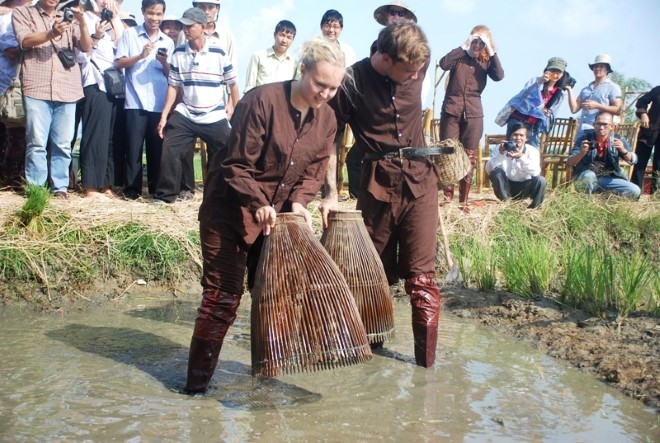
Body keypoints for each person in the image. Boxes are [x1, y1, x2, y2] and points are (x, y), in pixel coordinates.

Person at [184, 38, 346, 394]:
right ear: (302, 71)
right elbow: (236, 164)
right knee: (222, 299)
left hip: (276, 221)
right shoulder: (260, 101)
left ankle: (266, 385)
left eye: (333, 88)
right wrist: (258, 201)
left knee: (274, 296)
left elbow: (315, 169)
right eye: (320, 84)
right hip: (230, 212)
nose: (325, 94)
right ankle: (194, 390)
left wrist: (301, 201)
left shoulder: (329, 118)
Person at [323, 22, 440, 368]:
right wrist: (331, 192)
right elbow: (330, 139)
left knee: (421, 282)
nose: (415, 75)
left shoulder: (418, 60)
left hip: (421, 183)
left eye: (419, 69)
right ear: (386, 59)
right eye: (409, 71)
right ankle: (367, 360)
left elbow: (412, 37)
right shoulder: (351, 81)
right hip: (377, 187)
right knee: (372, 276)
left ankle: (426, 373)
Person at [153, 7, 238, 204]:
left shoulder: (218, 52)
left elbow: (233, 84)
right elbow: (173, 87)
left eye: (190, 26)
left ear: (202, 26)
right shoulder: (178, 53)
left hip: (214, 114)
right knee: (170, 146)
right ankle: (166, 196)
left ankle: (220, 197)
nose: (185, 29)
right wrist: (165, 115)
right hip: (187, 113)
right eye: (184, 26)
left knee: (227, 151)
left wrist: (233, 107)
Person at [12, 0, 93, 199]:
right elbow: (24, 40)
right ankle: (37, 188)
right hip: (36, 86)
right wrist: (52, 33)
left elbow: (86, 47)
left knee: (64, 144)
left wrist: (82, 22)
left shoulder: (69, 15)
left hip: (67, 87)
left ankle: (60, 188)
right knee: (37, 142)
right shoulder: (23, 13)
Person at [342, 0, 417, 199]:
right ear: (386, 16)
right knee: (358, 157)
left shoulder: (417, 51)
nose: (396, 16)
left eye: (401, 13)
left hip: (404, 119)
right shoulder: (377, 47)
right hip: (377, 115)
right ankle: (358, 196)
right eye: (393, 12)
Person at [114, 0, 174, 200]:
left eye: (158, 14)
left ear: (163, 15)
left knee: (156, 148)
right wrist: (140, 55)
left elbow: (171, 75)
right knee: (133, 148)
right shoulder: (130, 35)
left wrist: (164, 63)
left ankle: (156, 190)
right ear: (142, 12)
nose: (154, 18)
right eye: (150, 13)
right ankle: (132, 190)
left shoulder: (168, 41)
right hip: (135, 101)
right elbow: (119, 62)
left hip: (158, 103)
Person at [439, 25, 504, 207]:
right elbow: (443, 64)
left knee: (469, 156)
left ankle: (464, 201)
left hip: (474, 112)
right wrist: (465, 45)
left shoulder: (486, 61)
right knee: (448, 152)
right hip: (452, 109)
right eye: (475, 40)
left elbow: (499, 76)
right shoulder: (459, 57)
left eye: (481, 42)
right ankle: (447, 199)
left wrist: (490, 50)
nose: (477, 45)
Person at [77, 0, 123, 199]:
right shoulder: (84, 19)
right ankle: (91, 186)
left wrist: (115, 18)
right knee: (95, 135)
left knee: (112, 138)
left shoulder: (116, 20)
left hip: (116, 85)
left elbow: (123, 46)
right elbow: (81, 52)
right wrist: (97, 34)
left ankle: (106, 184)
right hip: (94, 82)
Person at [501, 57, 573, 148]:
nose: (555, 74)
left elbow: (552, 113)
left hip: (533, 125)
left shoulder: (559, 94)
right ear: (546, 70)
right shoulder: (535, 80)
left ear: (562, 74)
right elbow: (524, 95)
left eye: (558, 71)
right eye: (552, 70)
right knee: (512, 149)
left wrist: (547, 112)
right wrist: (539, 82)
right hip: (517, 120)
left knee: (532, 152)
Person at [567, 111, 640, 199]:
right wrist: (582, 153)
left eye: (605, 124)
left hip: (608, 179)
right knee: (589, 176)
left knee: (635, 190)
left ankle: (606, 199)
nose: (601, 127)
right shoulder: (585, 139)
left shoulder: (618, 140)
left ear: (612, 126)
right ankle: (586, 201)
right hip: (586, 177)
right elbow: (570, 162)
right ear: (594, 125)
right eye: (598, 124)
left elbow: (633, 160)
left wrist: (623, 150)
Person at [0, 0, 28, 190]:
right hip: (7, 84)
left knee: (20, 136)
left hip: (29, 85)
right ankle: (8, 178)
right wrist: (38, 41)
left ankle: (15, 177)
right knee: (11, 134)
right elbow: (10, 52)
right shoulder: (8, 18)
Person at [485, 122, 546, 208]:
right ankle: (506, 203)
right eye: (515, 135)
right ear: (510, 136)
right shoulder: (501, 147)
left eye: (521, 135)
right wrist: (501, 153)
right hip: (505, 187)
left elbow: (536, 172)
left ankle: (535, 208)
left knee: (541, 180)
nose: (518, 138)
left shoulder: (532, 151)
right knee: (496, 172)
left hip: (525, 187)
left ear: (527, 138)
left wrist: (521, 157)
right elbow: (488, 170)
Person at [567, 54, 622, 137]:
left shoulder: (613, 87)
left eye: (601, 66)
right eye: (595, 66)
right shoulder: (586, 89)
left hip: (600, 133)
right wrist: (569, 90)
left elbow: (617, 110)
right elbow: (574, 109)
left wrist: (597, 106)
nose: (598, 69)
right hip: (582, 132)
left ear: (607, 69)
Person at [243, 19, 296, 93]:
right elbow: (249, 88)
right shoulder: (258, 56)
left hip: (282, 104)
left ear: (293, 39)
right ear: (275, 35)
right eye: (282, 35)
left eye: (289, 37)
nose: (284, 40)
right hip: (259, 102)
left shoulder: (294, 64)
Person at [631, 86, 659, 194]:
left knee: (659, 166)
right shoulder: (657, 90)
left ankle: (655, 198)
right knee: (640, 164)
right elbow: (642, 101)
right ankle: (634, 194)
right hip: (649, 131)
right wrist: (643, 113)